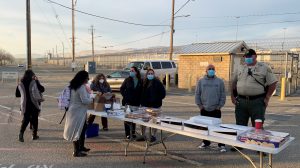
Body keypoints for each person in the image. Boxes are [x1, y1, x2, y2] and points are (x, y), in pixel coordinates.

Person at [230, 49, 277, 151]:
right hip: (241, 101)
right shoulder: (240, 67)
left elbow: (273, 83)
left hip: (257, 101)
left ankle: (259, 145)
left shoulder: (264, 68)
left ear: (255, 56)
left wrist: (267, 97)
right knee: (240, 124)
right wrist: (232, 97)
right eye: (246, 57)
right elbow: (233, 82)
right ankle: (239, 144)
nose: (247, 58)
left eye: (249, 56)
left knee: (258, 125)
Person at [195, 64, 226, 152]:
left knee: (218, 128)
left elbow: (223, 95)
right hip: (204, 109)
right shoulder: (201, 81)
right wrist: (200, 106)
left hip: (216, 109)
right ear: (206, 71)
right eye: (209, 69)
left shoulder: (219, 81)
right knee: (204, 128)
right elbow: (197, 94)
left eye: (213, 69)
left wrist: (219, 106)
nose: (211, 70)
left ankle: (221, 144)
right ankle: (206, 142)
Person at [63, 70, 93, 157]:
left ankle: (81, 147)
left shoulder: (74, 86)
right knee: (76, 130)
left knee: (82, 129)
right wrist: (92, 99)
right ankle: (76, 151)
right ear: (83, 78)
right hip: (78, 112)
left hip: (74, 111)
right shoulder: (81, 87)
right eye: (87, 77)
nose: (88, 79)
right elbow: (85, 100)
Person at [16, 70, 45, 142]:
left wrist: (24, 94)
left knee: (26, 120)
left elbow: (17, 95)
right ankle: (34, 135)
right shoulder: (34, 82)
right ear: (32, 75)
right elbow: (42, 89)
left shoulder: (20, 83)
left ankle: (21, 134)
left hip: (24, 104)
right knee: (35, 119)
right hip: (33, 104)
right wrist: (37, 81)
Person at [138, 69, 166, 142]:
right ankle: (142, 134)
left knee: (154, 121)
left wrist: (156, 99)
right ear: (146, 74)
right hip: (145, 105)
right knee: (143, 121)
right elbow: (140, 92)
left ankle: (153, 135)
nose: (150, 75)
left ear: (154, 74)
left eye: (151, 73)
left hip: (155, 106)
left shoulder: (158, 82)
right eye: (149, 73)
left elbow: (163, 94)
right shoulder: (143, 82)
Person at [120, 66, 143, 140]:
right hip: (128, 102)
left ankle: (133, 133)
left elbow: (141, 91)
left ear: (136, 72)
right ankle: (127, 134)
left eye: (132, 71)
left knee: (134, 118)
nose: (131, 72)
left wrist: (140, 100)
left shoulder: (140, 80)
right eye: (130, 71)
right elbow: (122, 89)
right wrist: (125, 96)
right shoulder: (127, 80)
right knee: (127, 118)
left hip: (136, 103)